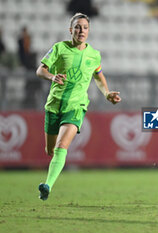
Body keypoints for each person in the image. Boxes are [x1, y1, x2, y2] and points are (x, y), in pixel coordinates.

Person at [36, 13, 121, 201]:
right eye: (77, 27)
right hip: (54, 105)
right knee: (50, 150)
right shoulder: (59, 48)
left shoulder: (94, 55)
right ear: (70, 30)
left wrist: (106, 93)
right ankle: (50, 176)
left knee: (61, 146)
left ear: (88, 31)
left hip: (76, 106)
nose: (81, 30)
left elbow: (98, 76)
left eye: (84, 27)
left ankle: (47, 185)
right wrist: (52, 77)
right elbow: (40, 70)